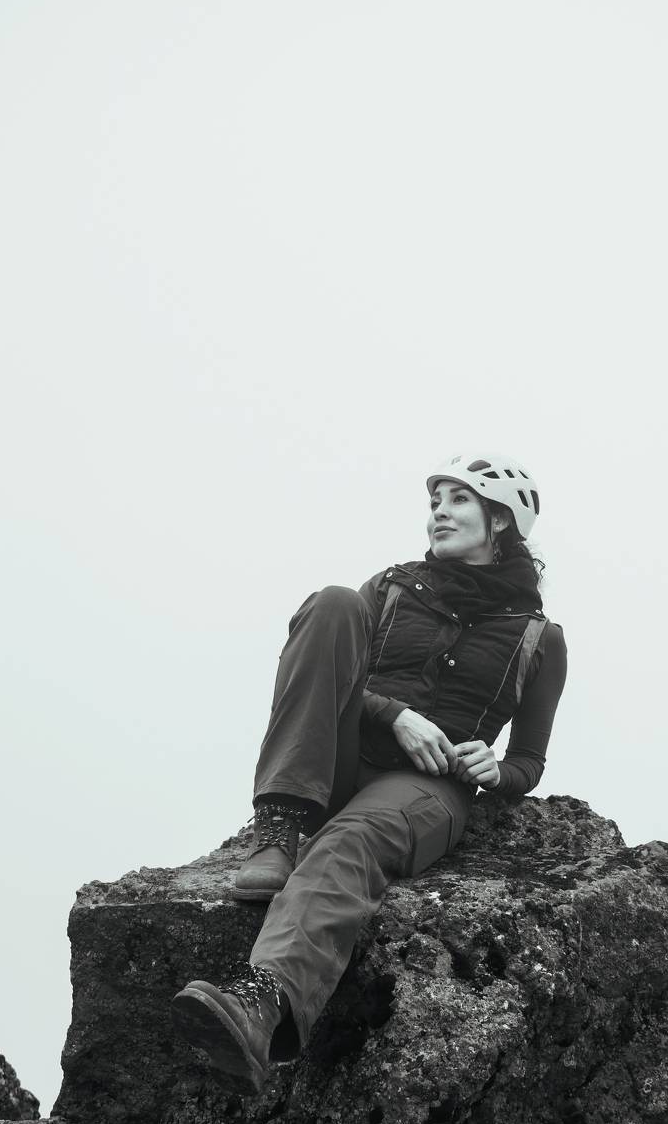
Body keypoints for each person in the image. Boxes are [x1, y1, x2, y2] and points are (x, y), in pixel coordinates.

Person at [172, 452, 567, 1091]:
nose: (439, 512)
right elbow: (323, 670)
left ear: (500, 520)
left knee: (349, 842)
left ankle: (258, 1006)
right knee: (329, 604)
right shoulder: (389, 587)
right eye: (435, 501)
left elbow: (529, 760)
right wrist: (395, 714)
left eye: (459, 500)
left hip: (424, 789)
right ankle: (278, 827)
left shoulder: (539, 638)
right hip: (340, 754)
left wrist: (496, 769)